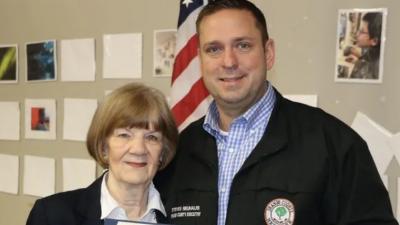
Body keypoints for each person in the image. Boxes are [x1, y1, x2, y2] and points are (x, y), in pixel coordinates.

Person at [155, 1, 398, 225]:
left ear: (268, 53)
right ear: (201, 60)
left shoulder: (334, 144)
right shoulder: (179, 151)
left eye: (243, 45)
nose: (228, 61)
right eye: (214, 49)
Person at [26, 83, 178, 225]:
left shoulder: (180, 216)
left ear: (163, 151)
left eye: (152, 137)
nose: (138, 149)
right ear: (104, 147)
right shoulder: (52, 216)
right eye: (124, 135)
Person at [346, 12, 382, 79]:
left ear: (374, 41)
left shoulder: (374, 71)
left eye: (361, 32)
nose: (357, 34)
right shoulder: (373, 51)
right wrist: (358, 61)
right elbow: (367, 58)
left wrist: (358, 64)